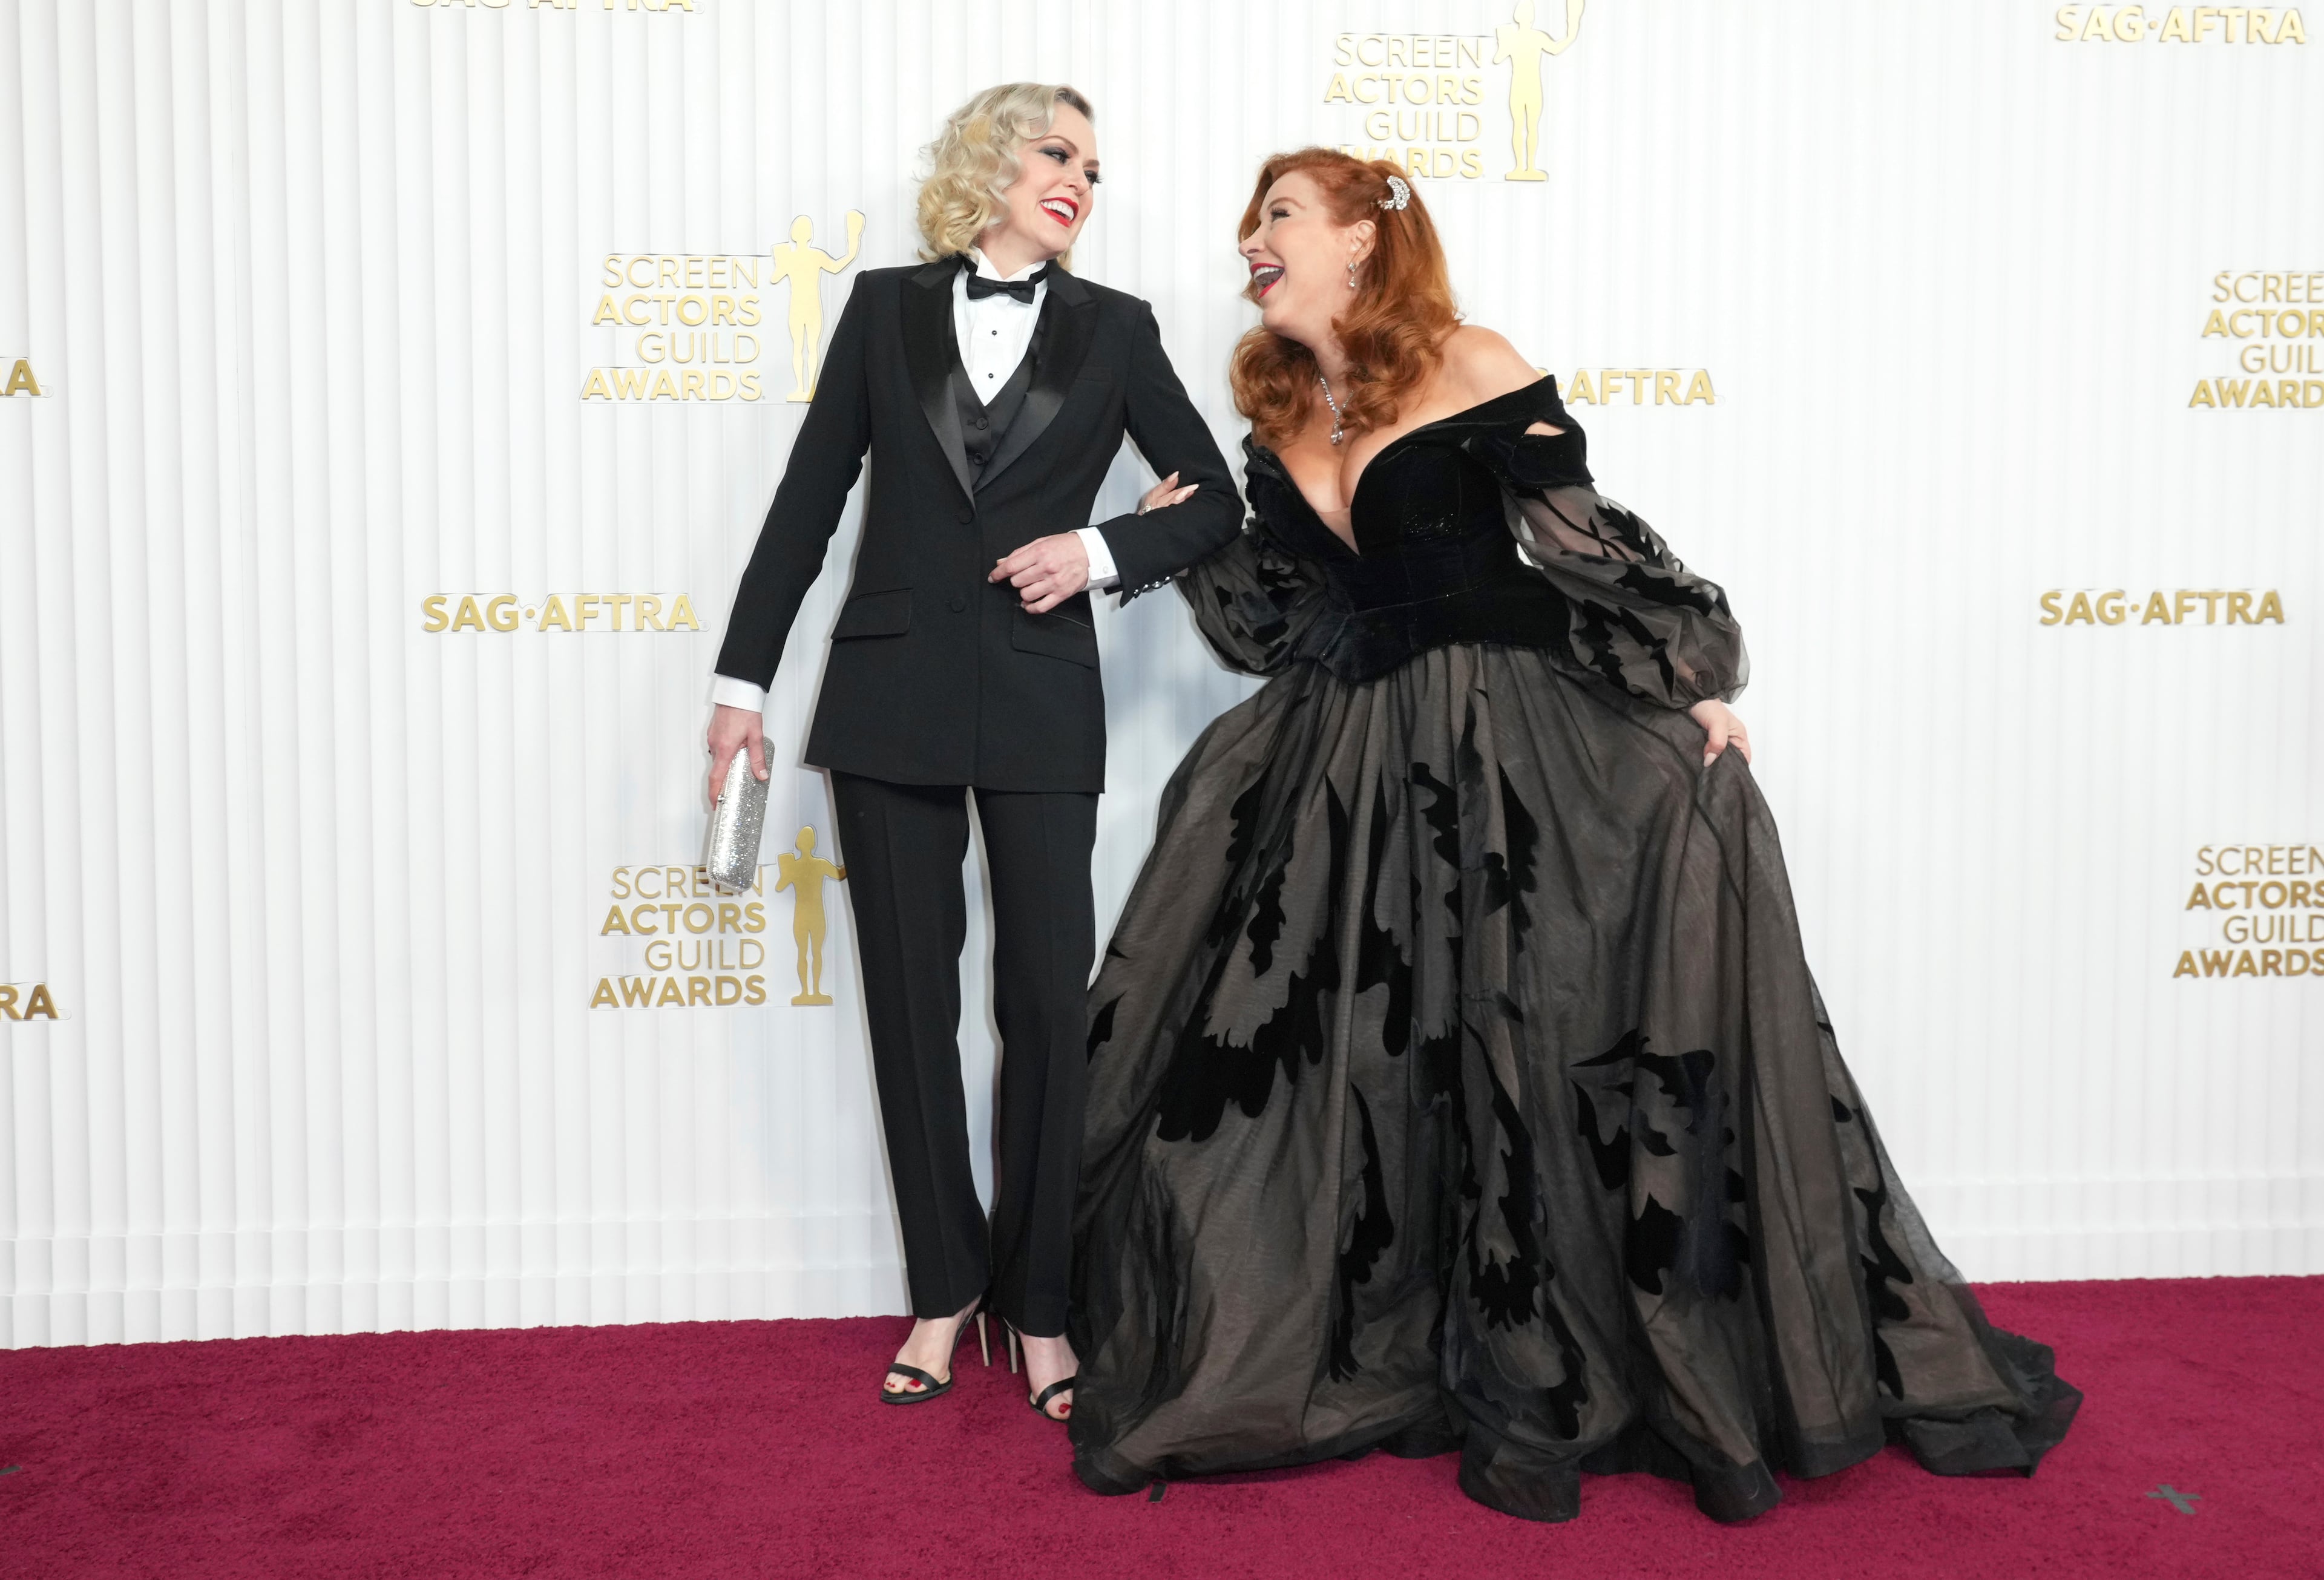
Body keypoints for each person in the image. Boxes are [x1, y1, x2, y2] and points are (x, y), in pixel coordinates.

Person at [1067, 149, 2080, 1521]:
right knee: (1340, 1058)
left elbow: (1579, 540)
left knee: (1521, 1045)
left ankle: (1549, 1358)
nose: (1251, 239)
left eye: (1282, 216)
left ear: (1363, 241)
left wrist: (1691, 684)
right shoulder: (1277, 417)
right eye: (1250, 222)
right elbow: (1275, 624)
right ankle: (1388, 1333)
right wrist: (1180, 539)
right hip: (1356, 763)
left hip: (1516, 744)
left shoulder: (1471, 358)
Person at [704, 84, 1240, 1421]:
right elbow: (809, 501)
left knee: (1049, 1009)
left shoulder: (1118, 331)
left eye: (1097, 169)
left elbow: (1217, 499)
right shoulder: (885, 306)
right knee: (906, 999)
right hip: (888, 695)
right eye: (1059, 153)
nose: (1081, 181)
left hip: (1045, 698)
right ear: (991, 163)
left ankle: (1042, 1310)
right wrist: (740, 681)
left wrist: (1100, 548)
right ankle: (946, 1289)